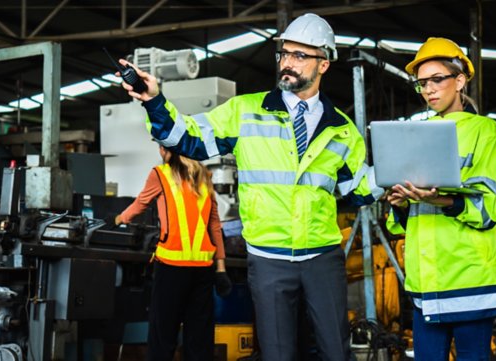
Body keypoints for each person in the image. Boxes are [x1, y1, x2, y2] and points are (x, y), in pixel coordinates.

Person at [117, 13, 383, 361]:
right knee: (277, 354)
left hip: (323, 257)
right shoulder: (245, 112)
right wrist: (154, 100)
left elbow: (356, 190)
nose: (287, 63)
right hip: (269, 258)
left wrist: (396, 177)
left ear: (324, 64)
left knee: (336, 352)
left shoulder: (343, 130)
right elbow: (188, 140)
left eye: (300, 56)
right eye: (284, 54)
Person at [386, 37, 496, 360]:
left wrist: (440, 199)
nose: (428, 89)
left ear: (459, 81)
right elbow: (402, 225)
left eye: (437, 79)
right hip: (424, 284)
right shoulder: (412, 135)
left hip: (470, 278)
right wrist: (400, 203)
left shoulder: (485, 132)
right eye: (422, 83)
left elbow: (490, 209)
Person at [115, 145, 232, 361]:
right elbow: (215, 225)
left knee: (163, 337)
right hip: (203, 269)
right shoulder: (204, 176)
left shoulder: (160, 174)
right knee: (199, 340)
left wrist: (118, 219)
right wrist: (221, 268)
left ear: (162, 149)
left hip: (171, 268)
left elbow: (141, 204)